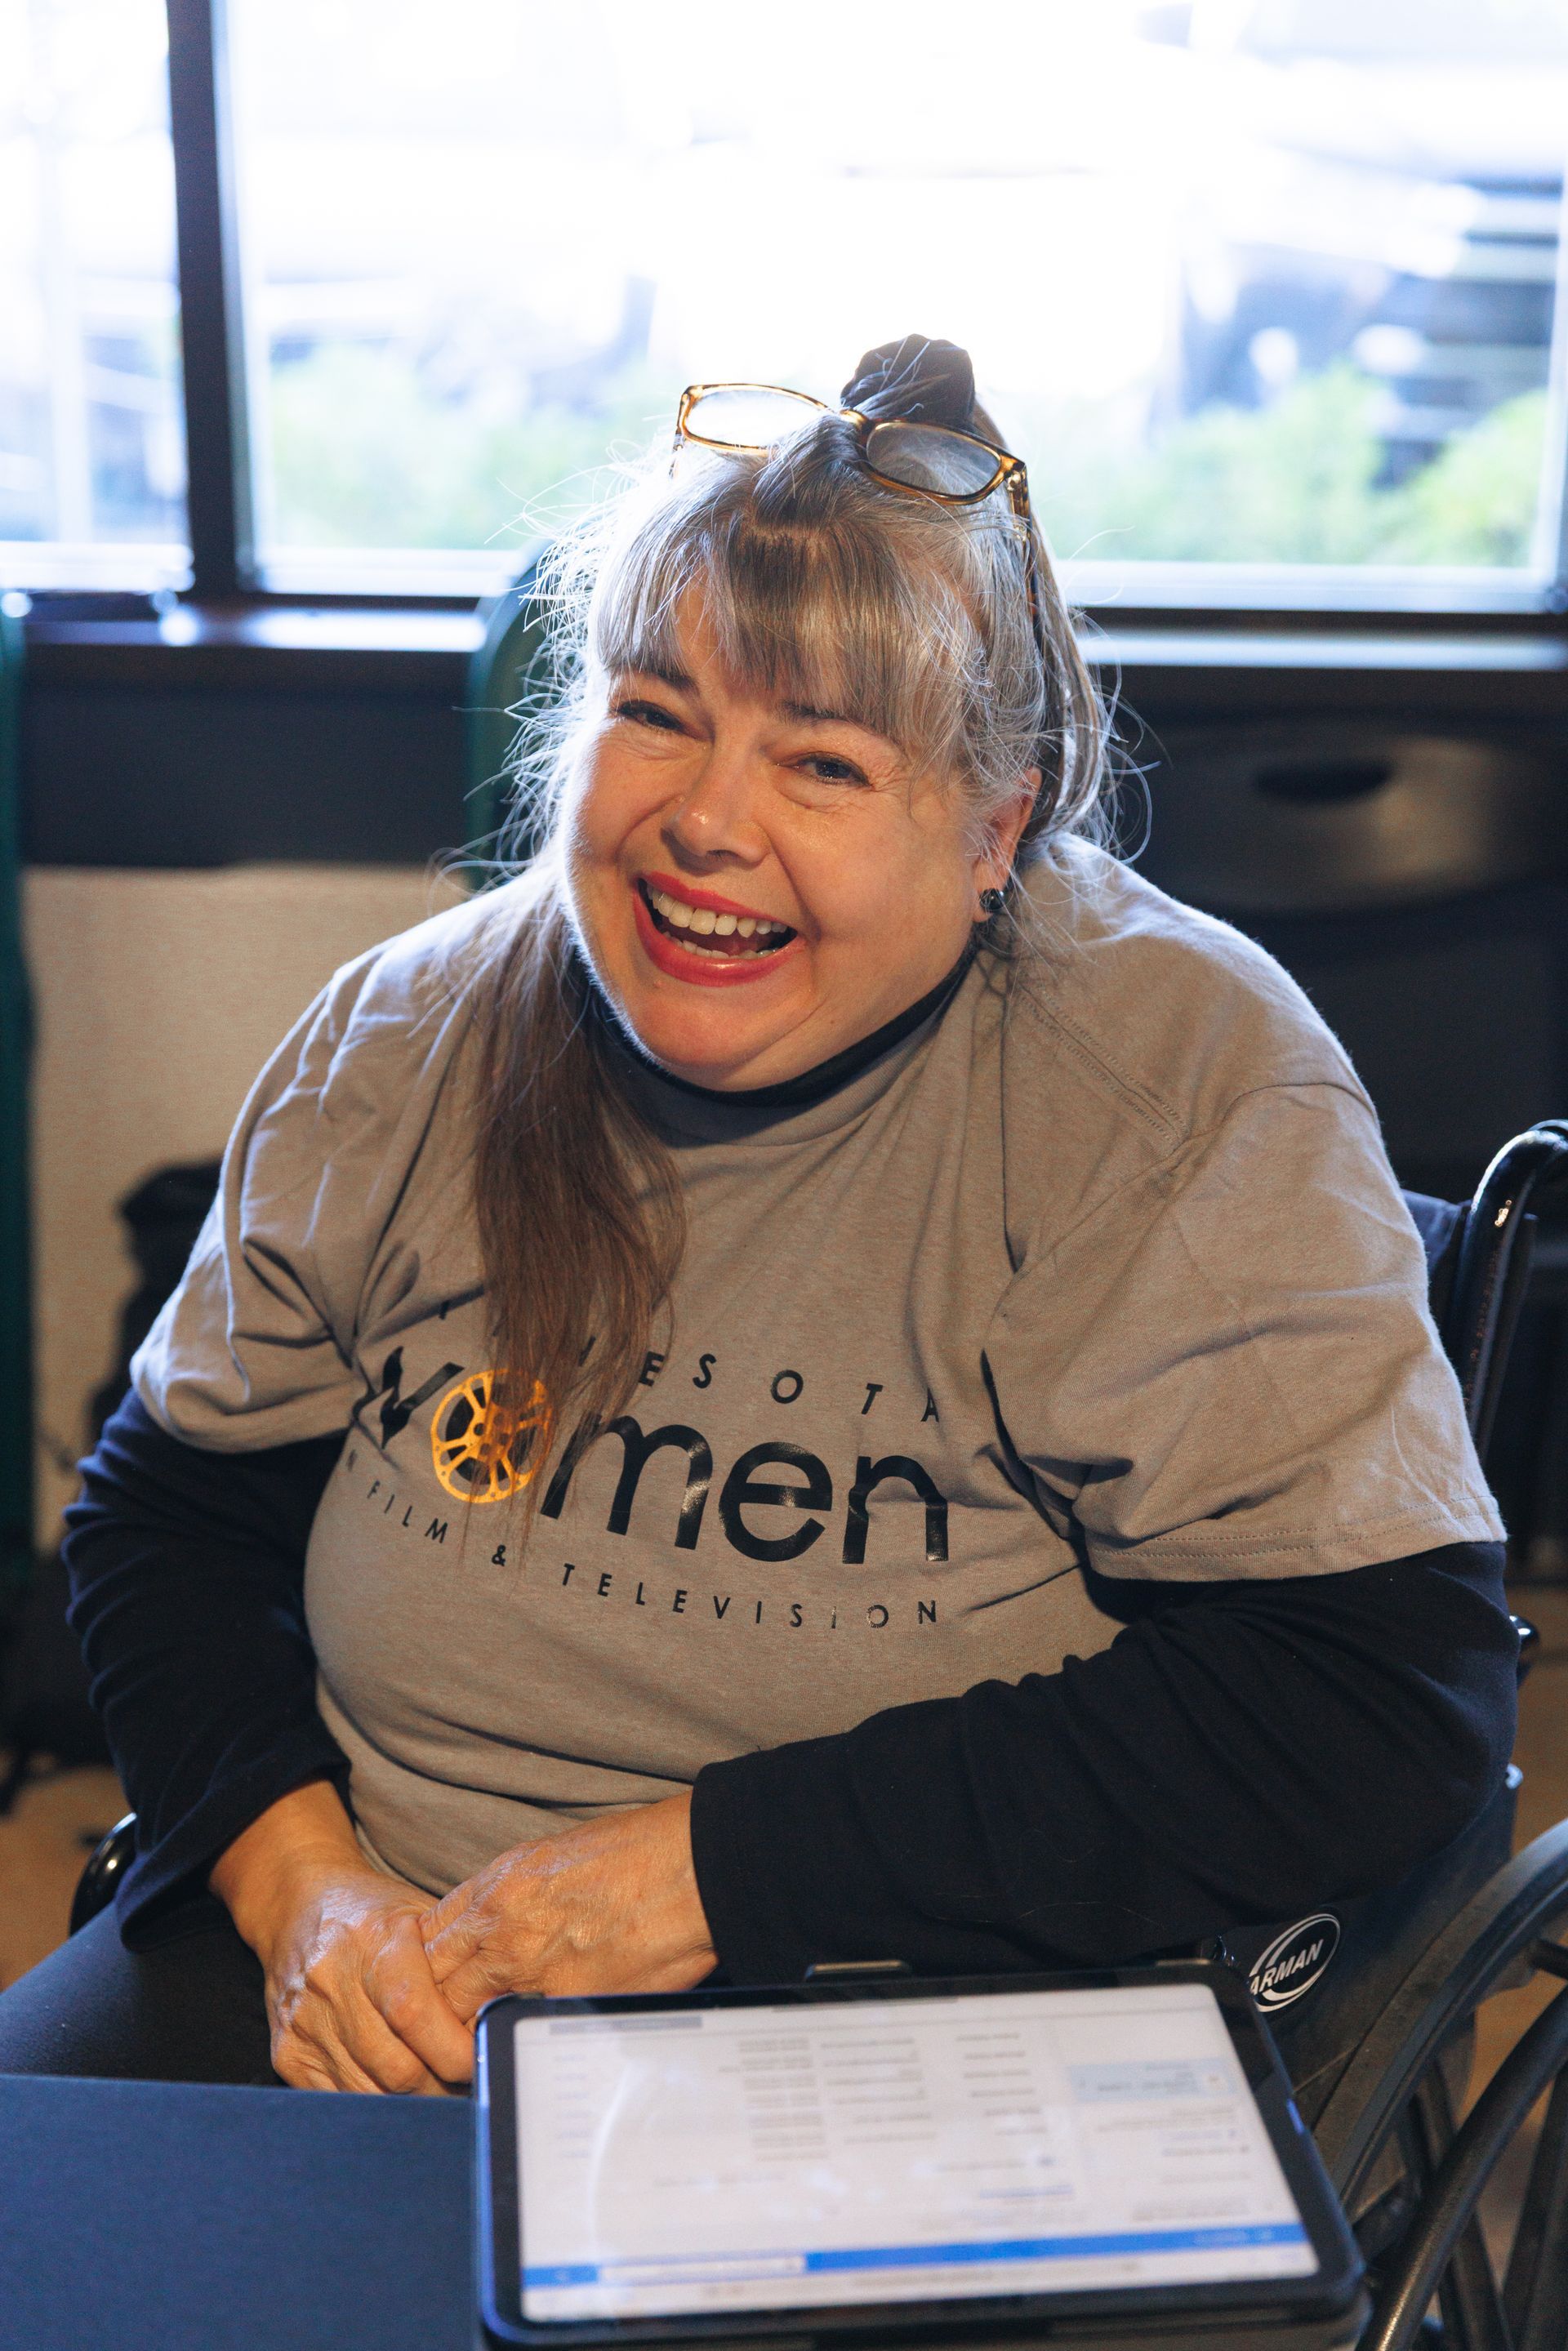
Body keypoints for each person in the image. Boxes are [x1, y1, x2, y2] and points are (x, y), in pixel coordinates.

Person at [0, 336, 1516, 2094]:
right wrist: (304, 1898)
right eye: (656, 714)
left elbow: (1377, 1705)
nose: (705, 823)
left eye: (825, 764)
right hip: (372, 1973)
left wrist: (710, 1877)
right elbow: (170, 1511)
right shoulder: (412, 1034)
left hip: (898, 2015)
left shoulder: (1176, 1082)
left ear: (996, 830)